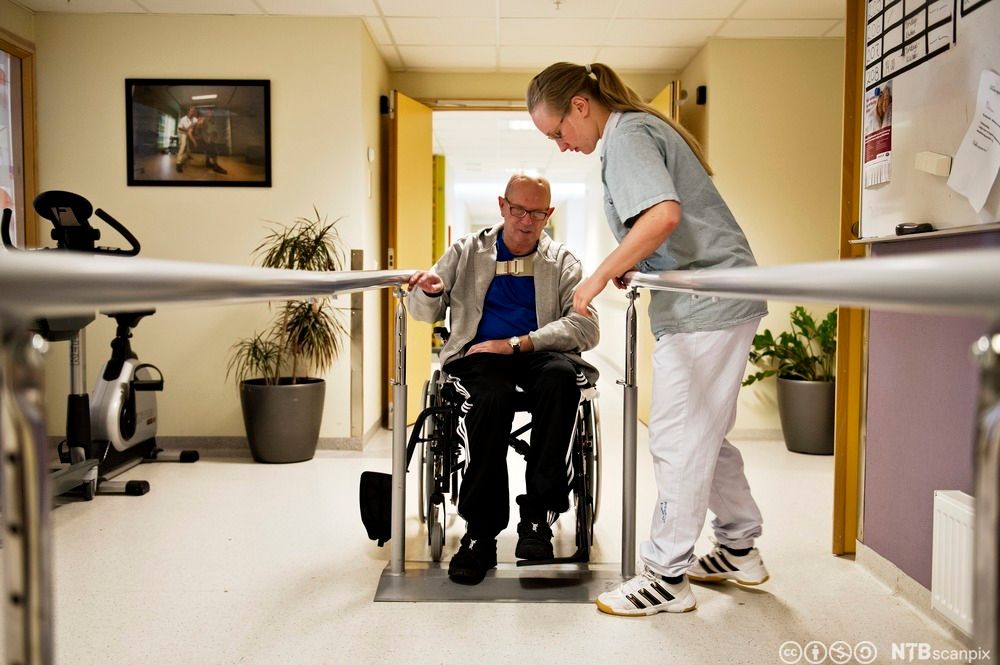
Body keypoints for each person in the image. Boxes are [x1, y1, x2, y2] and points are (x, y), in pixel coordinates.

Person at [527, 62, 769, 616]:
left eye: (558, 131)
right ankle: (737, 546)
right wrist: (634, 264)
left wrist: (596, 275)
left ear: (581, 107)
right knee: (703, 432)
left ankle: (666, 577)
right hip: (711, 298)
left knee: (677, 436)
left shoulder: (630, 134)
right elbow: (662, 227)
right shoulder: (633, 133)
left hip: (708, 302)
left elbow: (661, 216)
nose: (561, 146)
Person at [408, 174, 600, 586]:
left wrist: (517, 343)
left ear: (548, 214)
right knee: (490, 397)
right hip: (478, 358)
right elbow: (424, 313)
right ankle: (481, 533)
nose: (526, 220)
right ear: (502, 205)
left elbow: (586, 327)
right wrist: (428, 292)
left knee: (561, 381)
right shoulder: (465, 252)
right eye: (518, 210)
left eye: (537, 212)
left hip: (536, 352)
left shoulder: (563, 261)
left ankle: (537, 518)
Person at [176, 106, 201, 173]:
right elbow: (179, 128)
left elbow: (197, 125)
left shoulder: (195, 119)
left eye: (193, 111)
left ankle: (188, 155)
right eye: (191, 111)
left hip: (189, 133)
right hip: (183, 133)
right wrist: (187, 130)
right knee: (183, 146)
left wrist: (199, 123)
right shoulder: (183, 119)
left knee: (189, 146)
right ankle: (178, 163)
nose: (192, 112)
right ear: (188, 111)